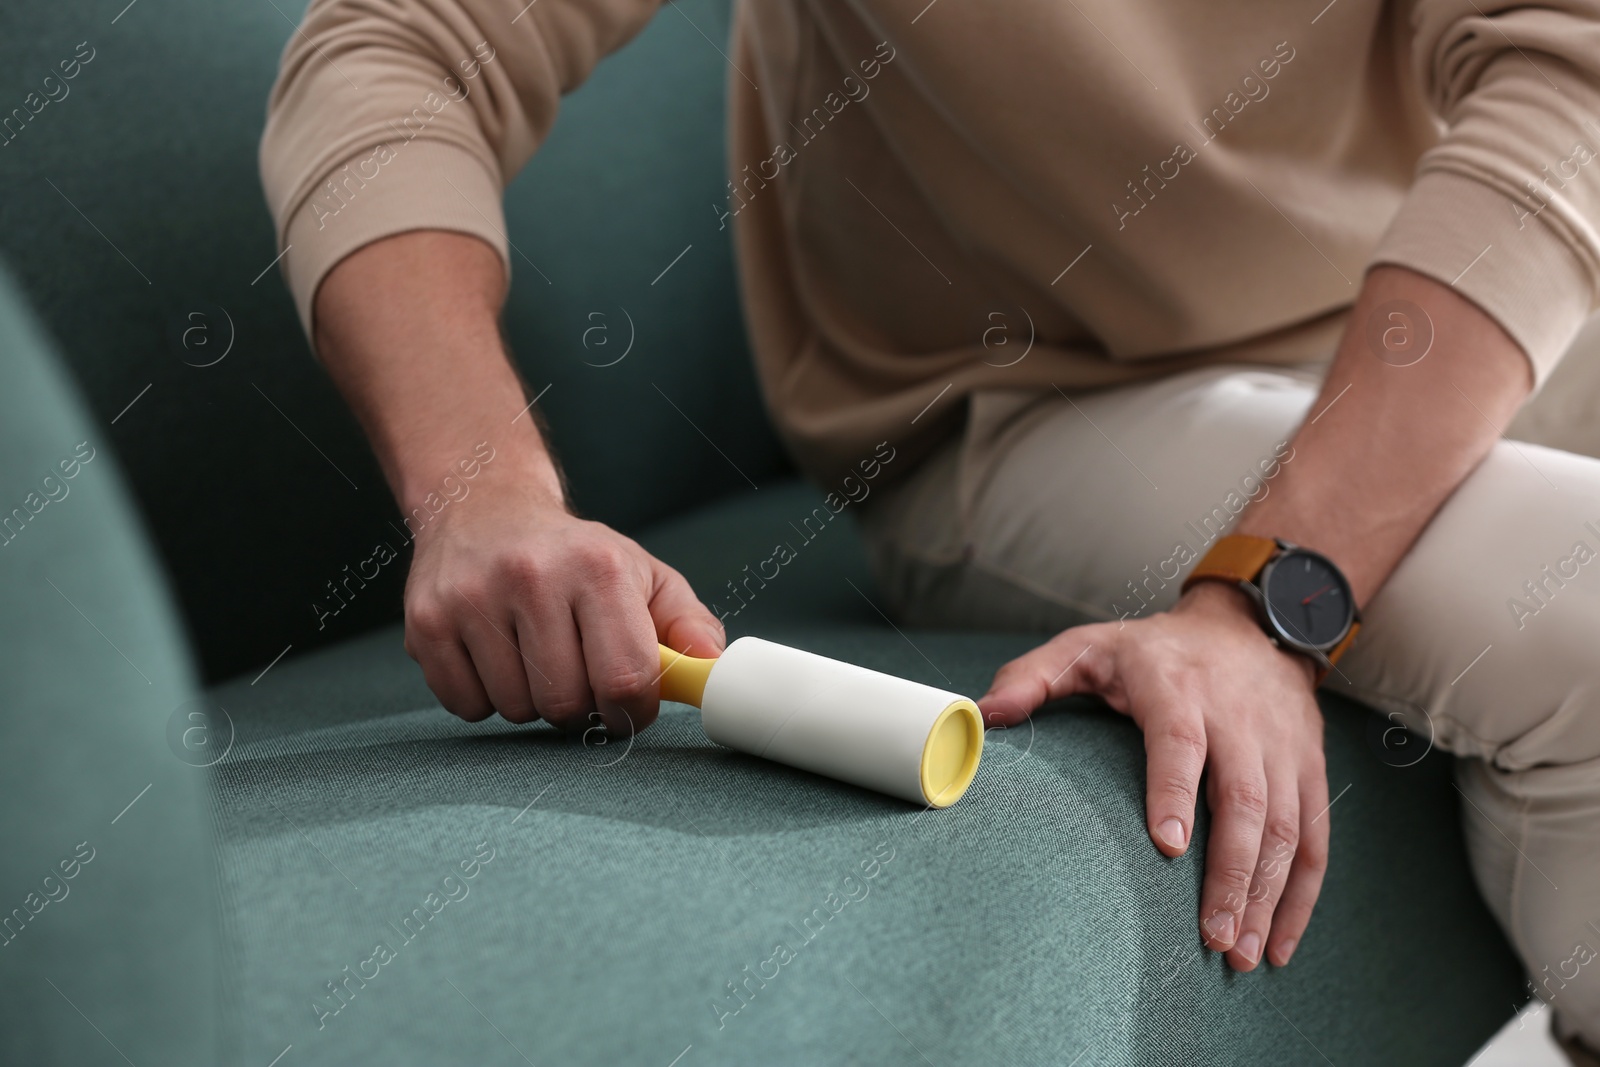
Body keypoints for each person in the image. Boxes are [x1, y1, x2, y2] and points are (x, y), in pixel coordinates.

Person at [260, 1, 1600, 1058]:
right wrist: (479, 491)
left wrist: (1265, 602)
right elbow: (397, 48)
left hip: (1473, 324)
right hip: (1053, 403)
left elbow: (1567, 69)